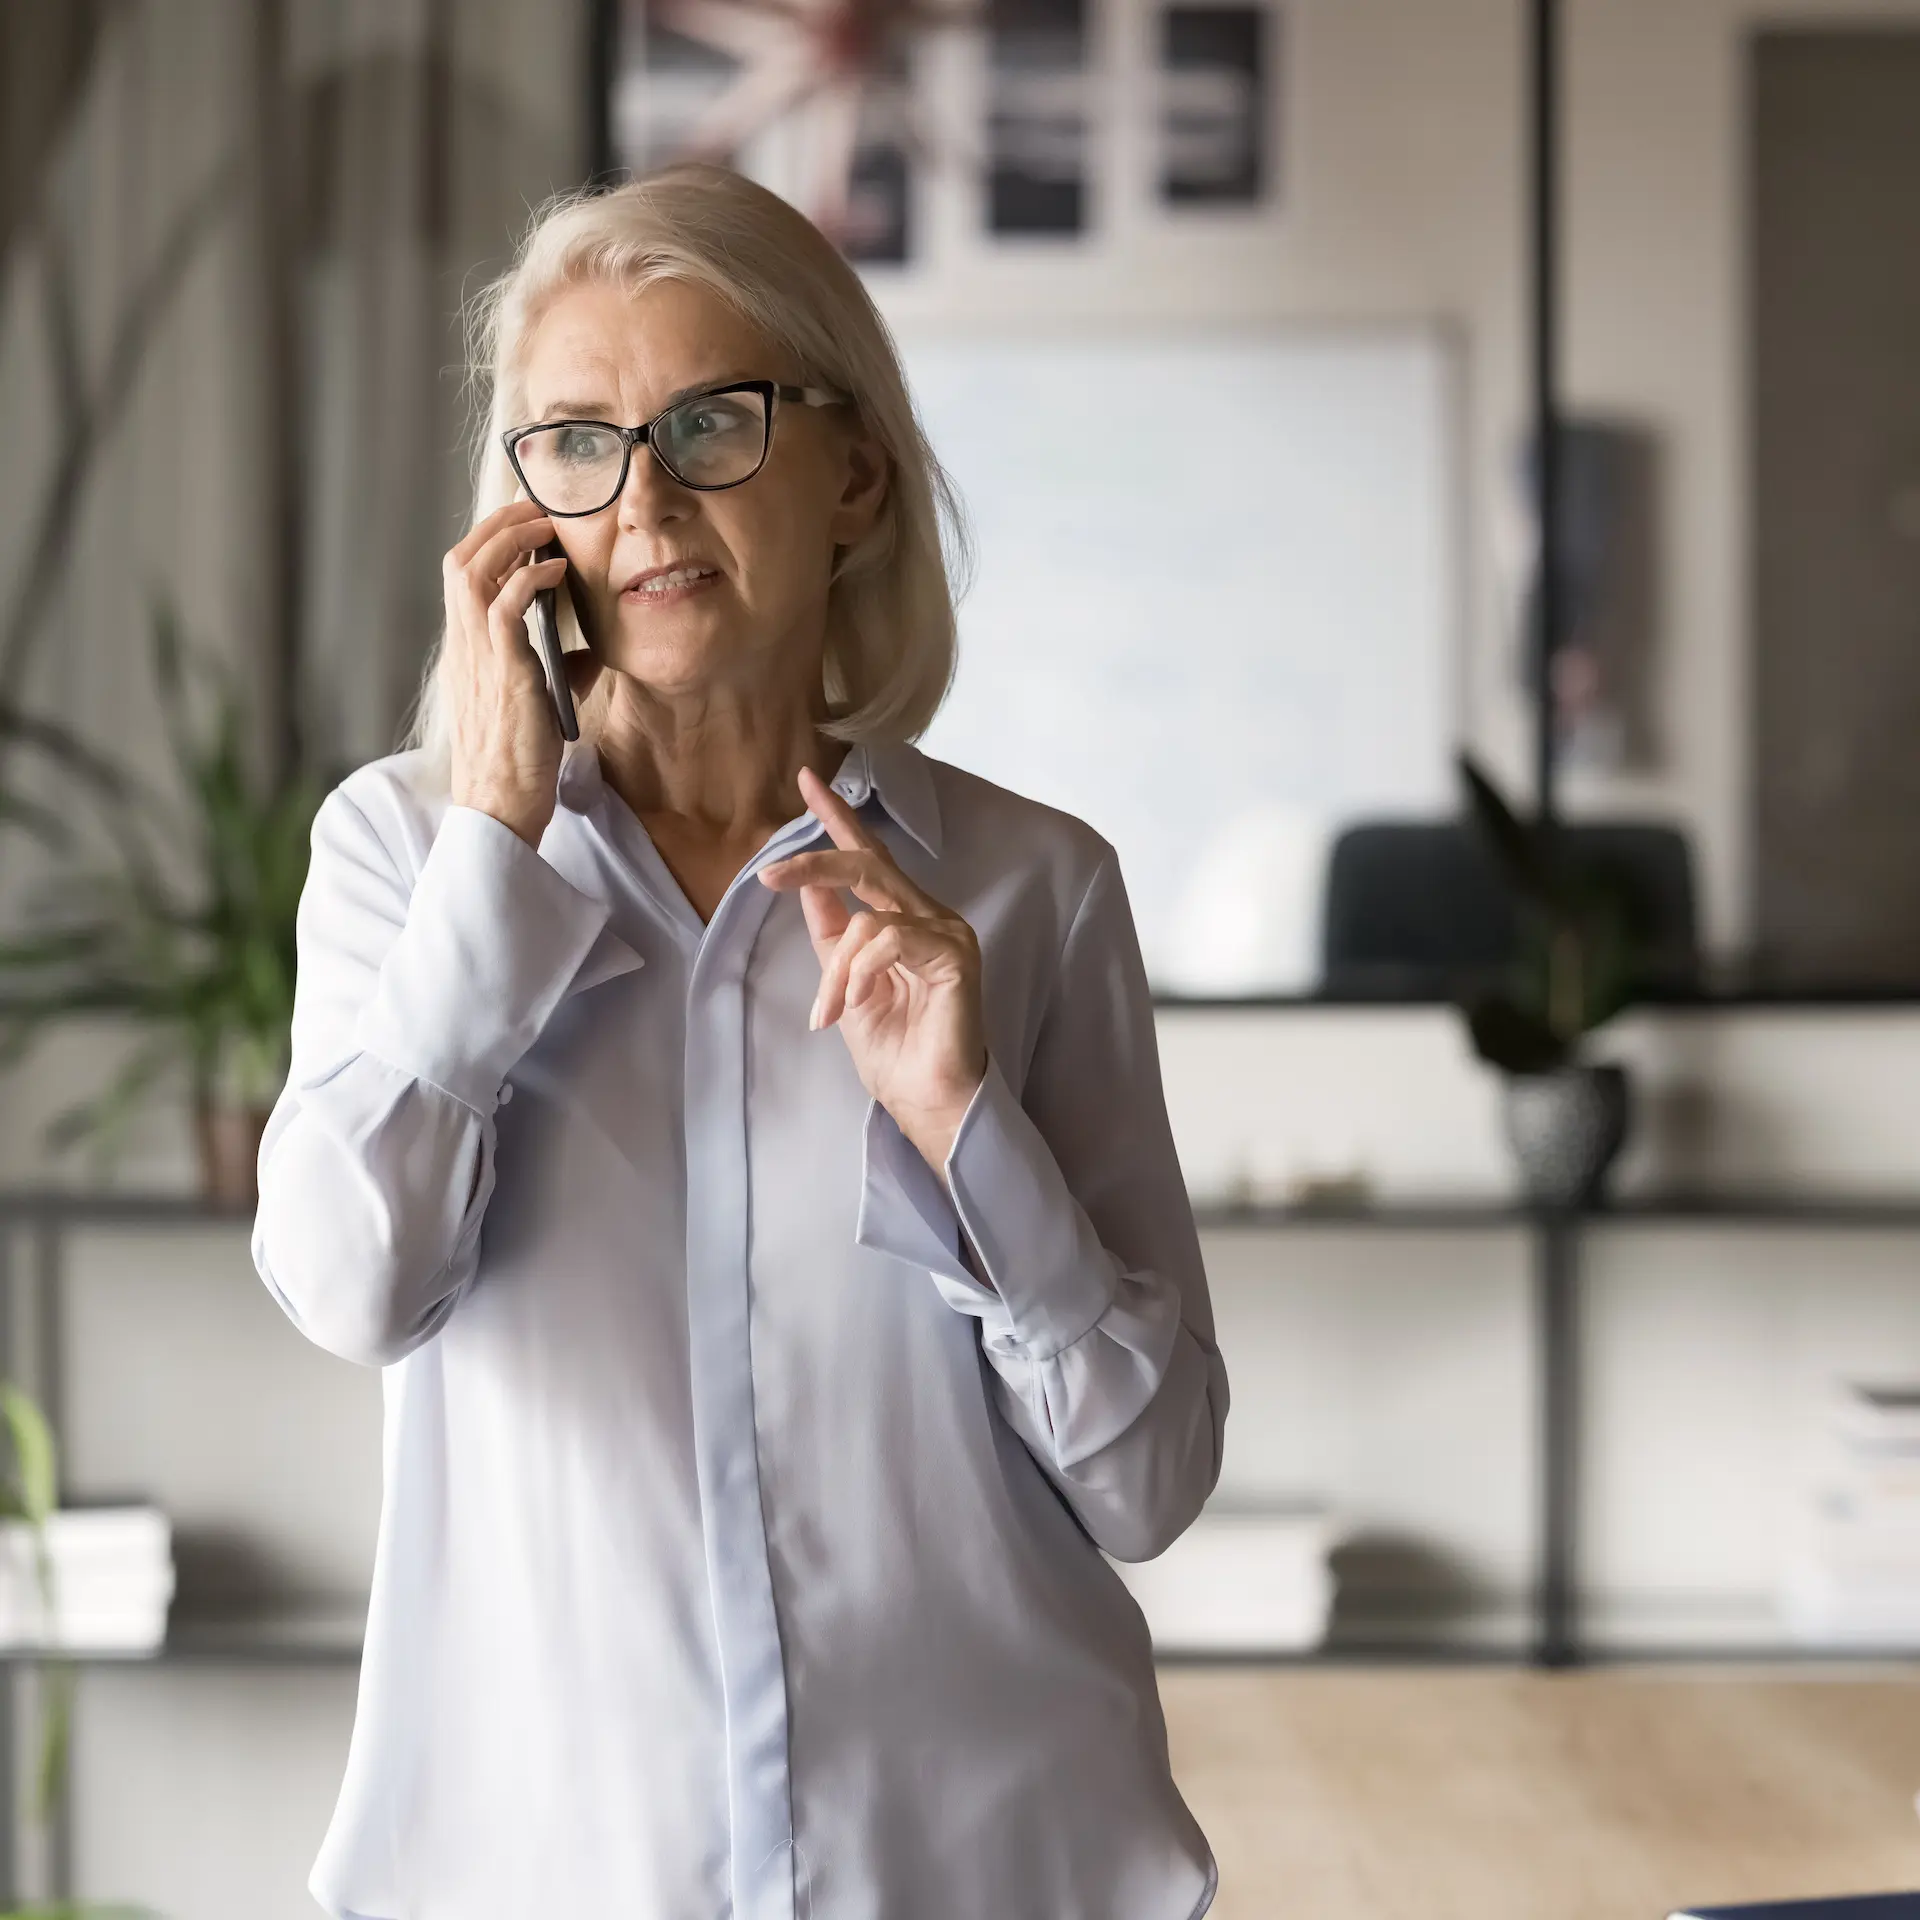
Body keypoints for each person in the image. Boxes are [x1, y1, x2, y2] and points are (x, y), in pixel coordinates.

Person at [251, 158, 1229, 1920]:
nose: (643, 498)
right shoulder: (400, 855)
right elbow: (346, 1289)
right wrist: (495, 838)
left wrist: (967, 1129)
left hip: (987, 1875)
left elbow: (1148, 1485)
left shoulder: (1035, 889)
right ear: (522, 509)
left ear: (855, 478)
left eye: (712, 423)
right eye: (579, 441)